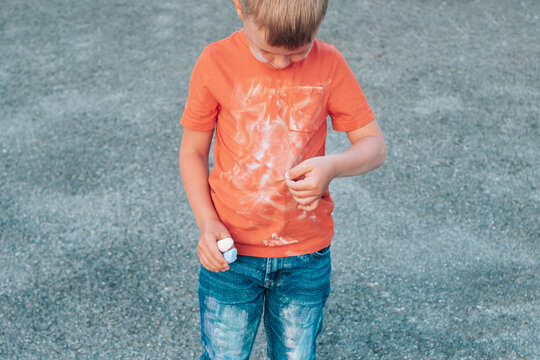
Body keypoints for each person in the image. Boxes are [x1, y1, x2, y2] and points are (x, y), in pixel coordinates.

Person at [179, 0, 386, 358]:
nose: (281, 63)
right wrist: (207, 222)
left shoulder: (329, 63)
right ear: (241, 8)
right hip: (231, 255)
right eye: (266, 51)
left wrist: (333, 166)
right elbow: (193, 152)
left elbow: (374, 145)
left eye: (297, 52)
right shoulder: (216, 62)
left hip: (304, 256)